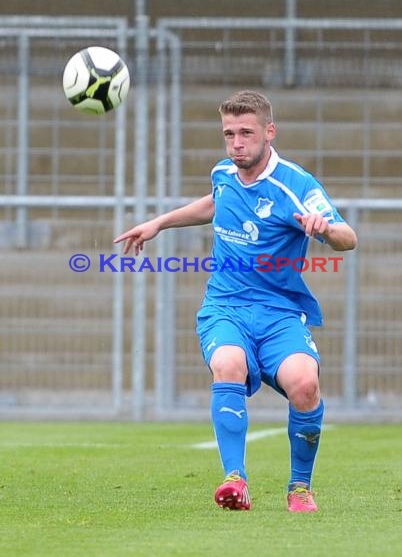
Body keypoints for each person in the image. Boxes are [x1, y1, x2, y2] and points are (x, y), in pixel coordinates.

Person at [114, 90, 357, 513]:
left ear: (269, 132)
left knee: (305, 384)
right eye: (229, 134)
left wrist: (324, 229)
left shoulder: (295, 185)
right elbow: (214, 202)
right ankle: (235, 480)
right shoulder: (224, 172)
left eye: (246, 133)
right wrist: (159, 223)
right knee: (228, 363)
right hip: (225, 306)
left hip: (280, 311)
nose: (236, 143)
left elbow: (347, 239)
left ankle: (299, 488)